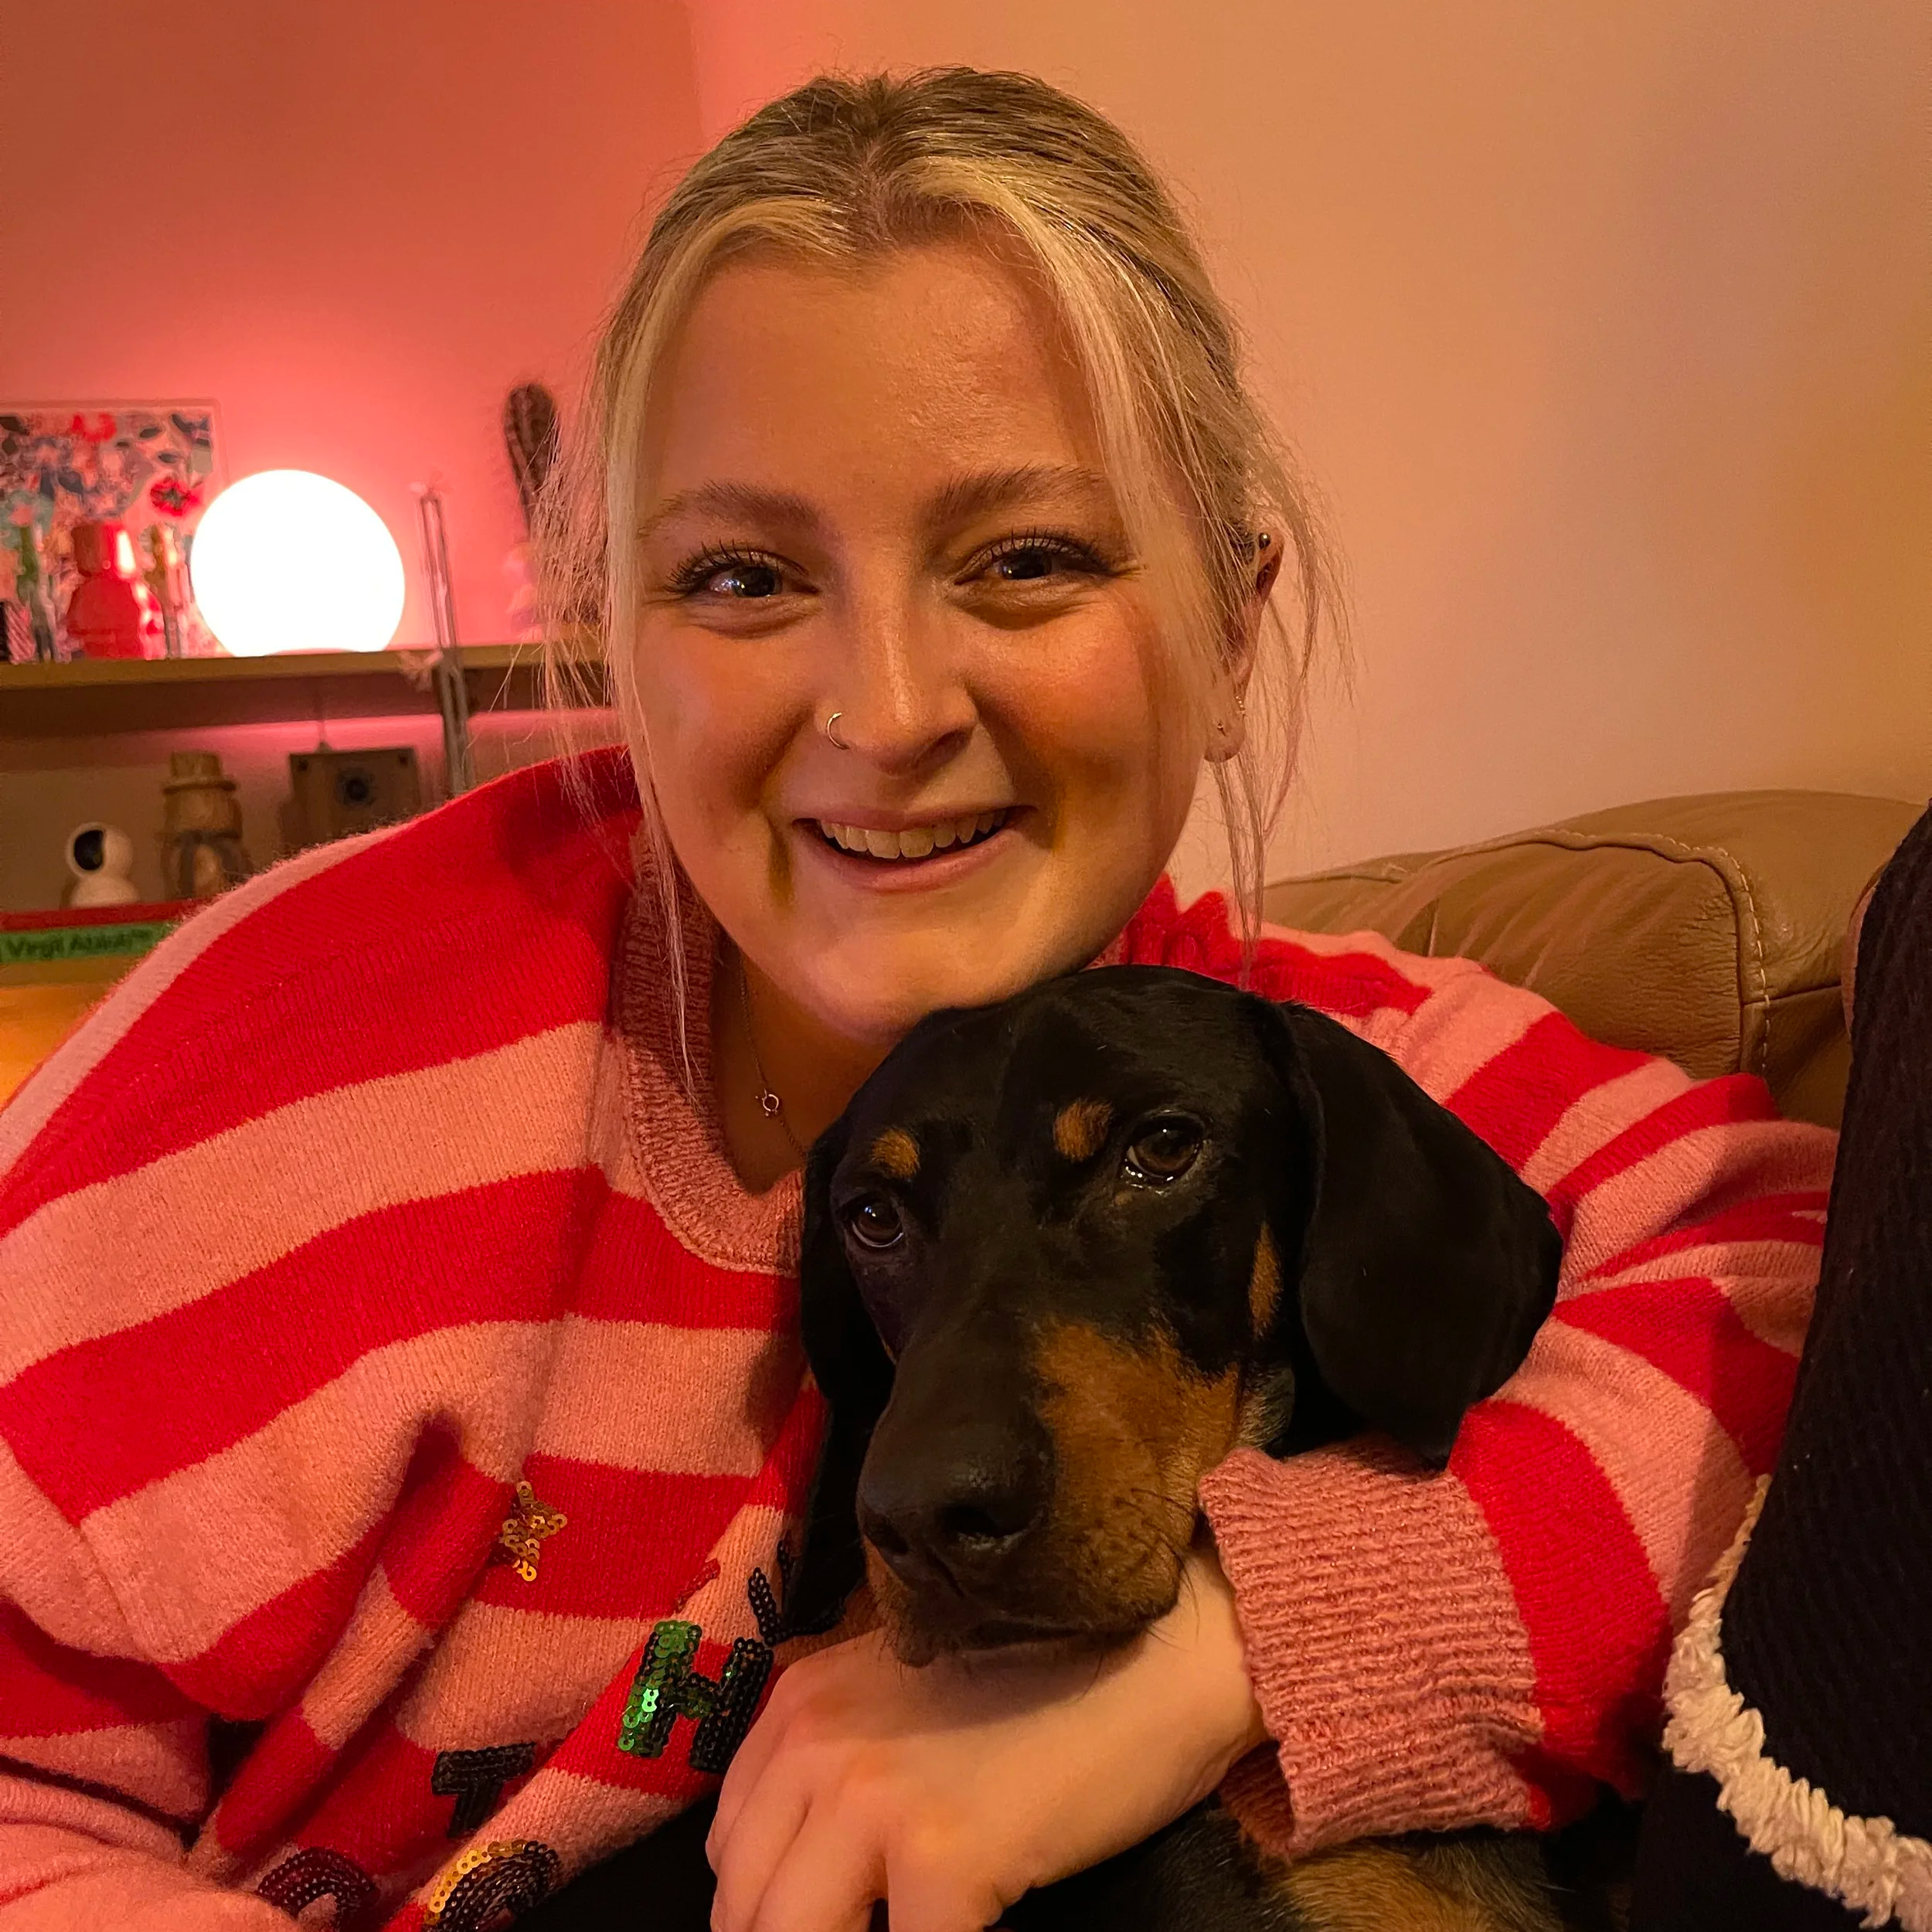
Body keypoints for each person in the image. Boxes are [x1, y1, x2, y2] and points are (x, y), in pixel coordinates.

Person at [0, 69, 1833, 1932]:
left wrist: (1227, 1654)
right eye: (740, 575)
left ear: (1227, 619)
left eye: (1022, 556)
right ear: (619, 651)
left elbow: (1809, 1292)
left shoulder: (1267, 1037)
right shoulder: (273, 1085)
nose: (885, 712)